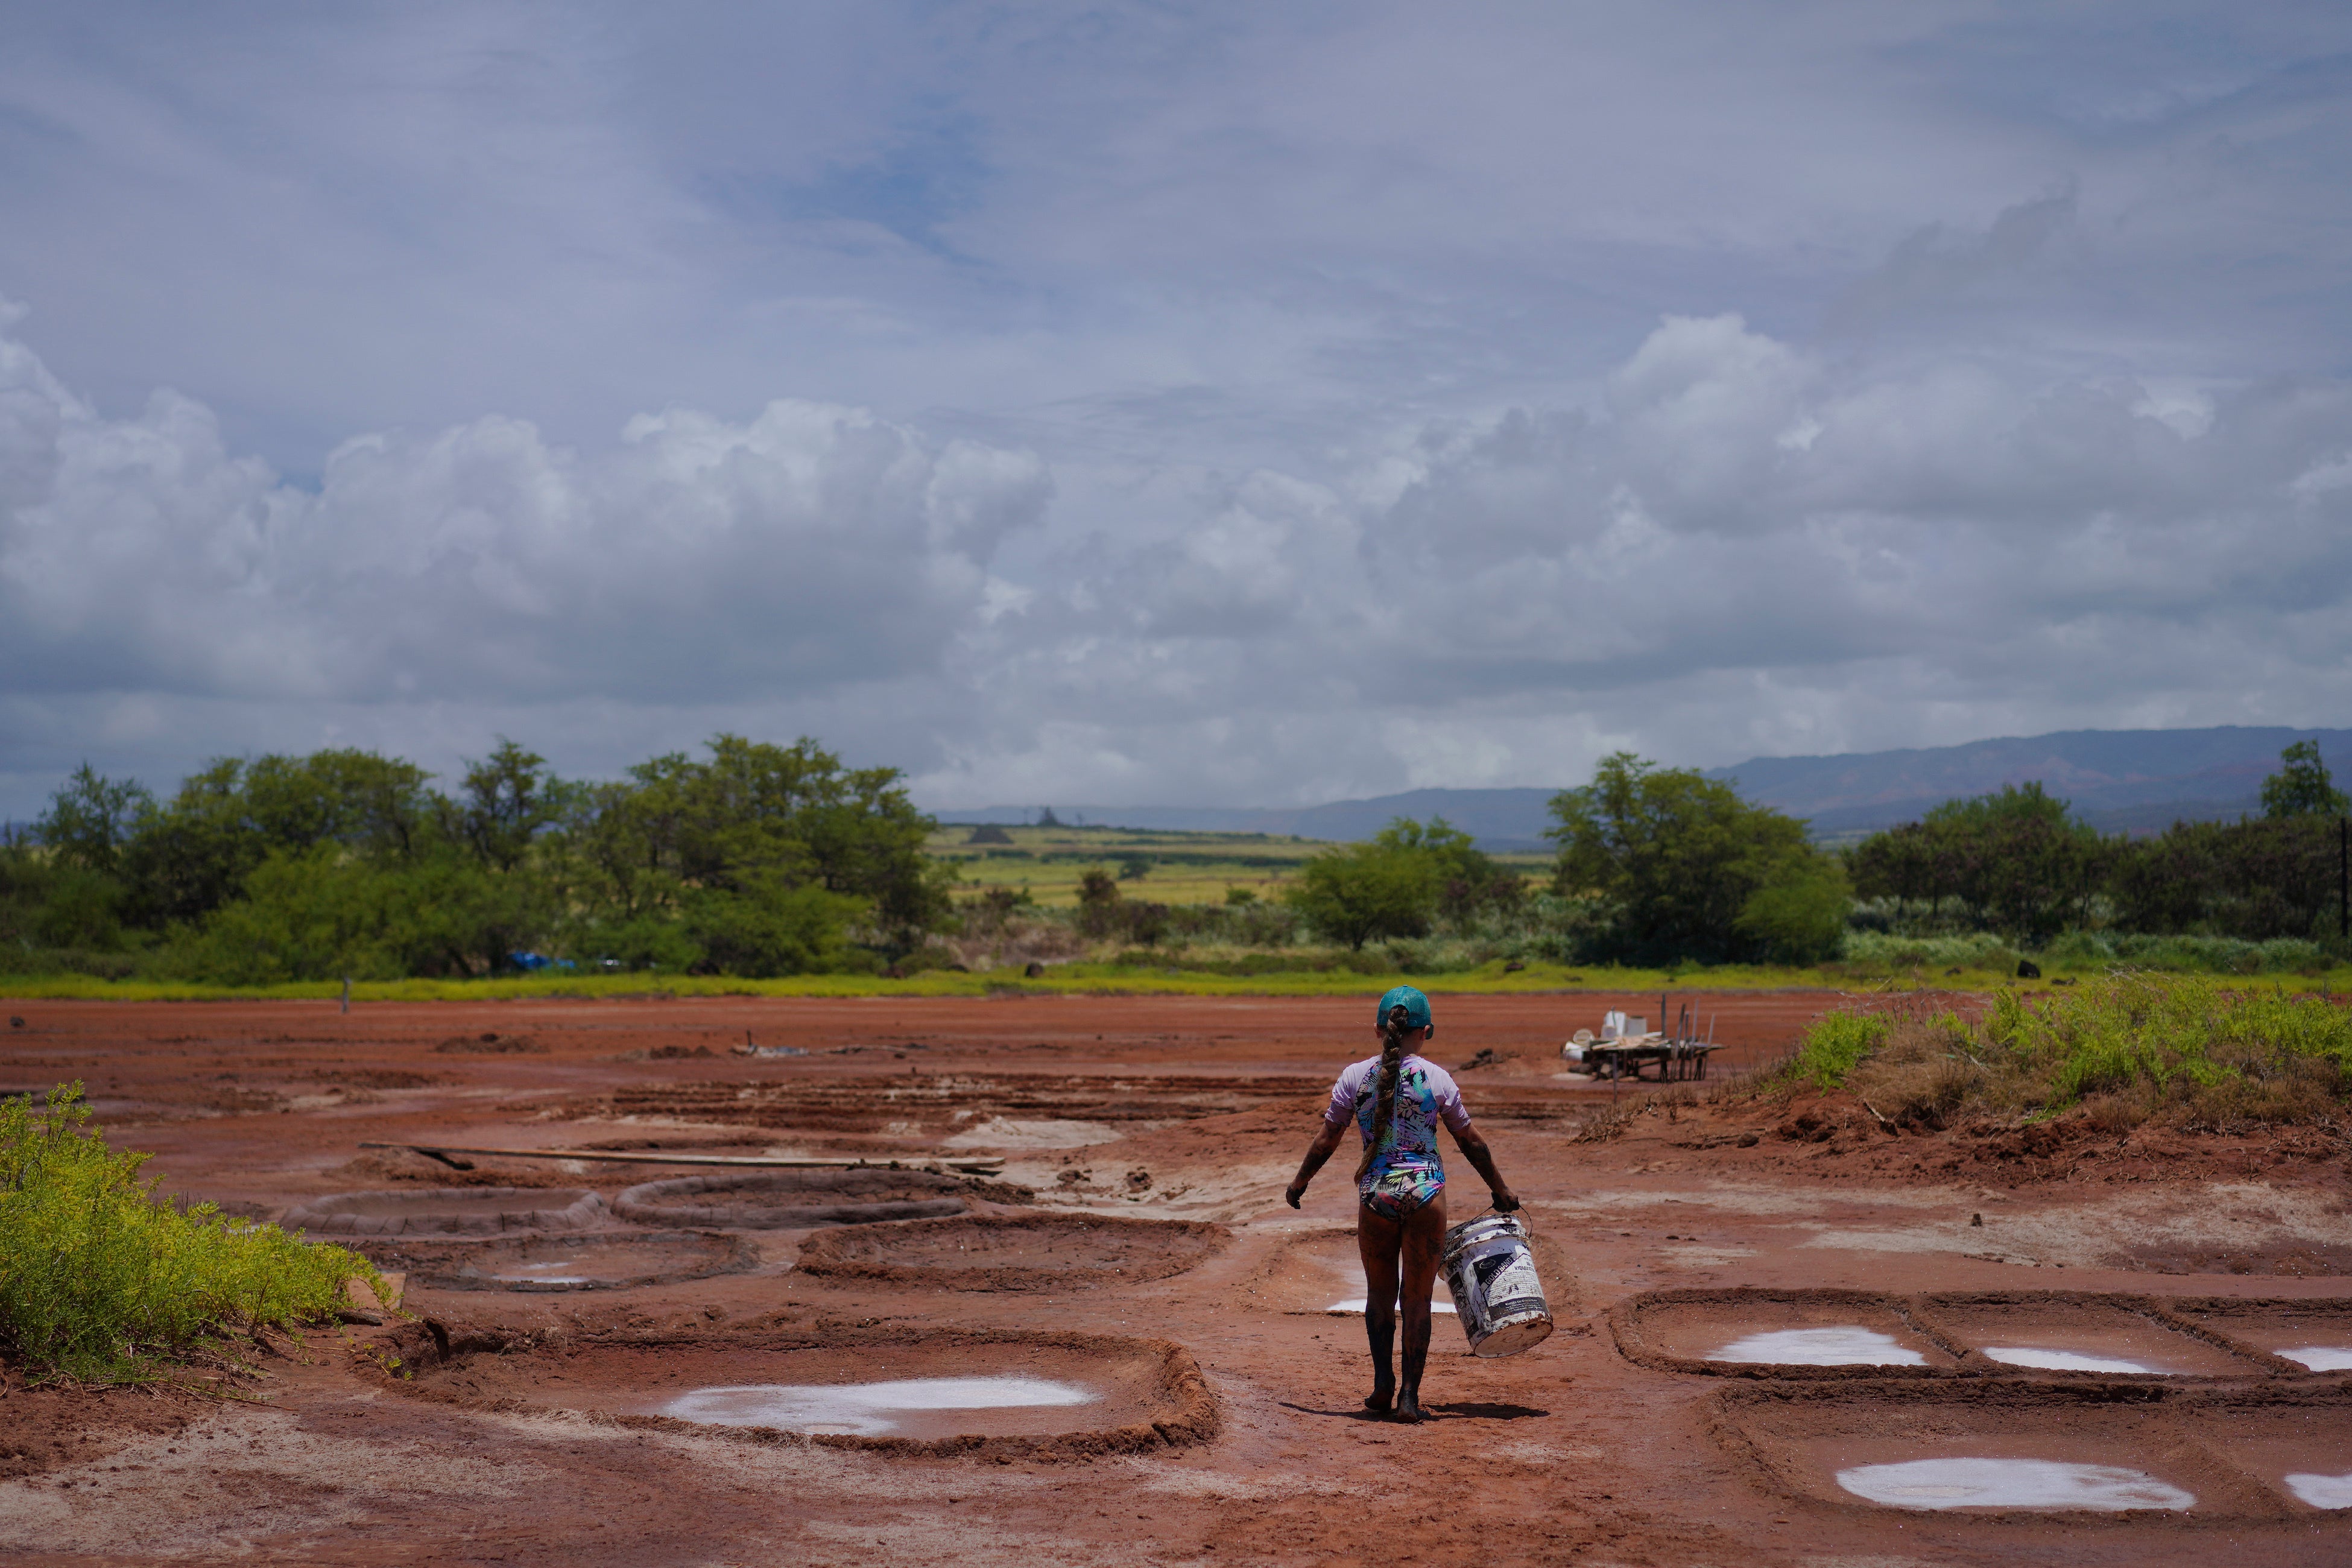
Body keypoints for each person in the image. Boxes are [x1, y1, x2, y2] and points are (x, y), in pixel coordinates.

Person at [1285, 985, 1520, 1422]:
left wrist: (1300, 1183)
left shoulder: (1354, 1077)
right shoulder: (1437, 1079)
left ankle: (1382, 1385)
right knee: (1417, 1299)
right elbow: (1470, 1141)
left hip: (1376, 1195)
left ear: (1378, 1030)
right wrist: (1500, 1190)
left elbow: (1327, 1139)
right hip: (1427, 1195)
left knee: (1379, 1295)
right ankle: (1409, 1397)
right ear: (1425, 1031)